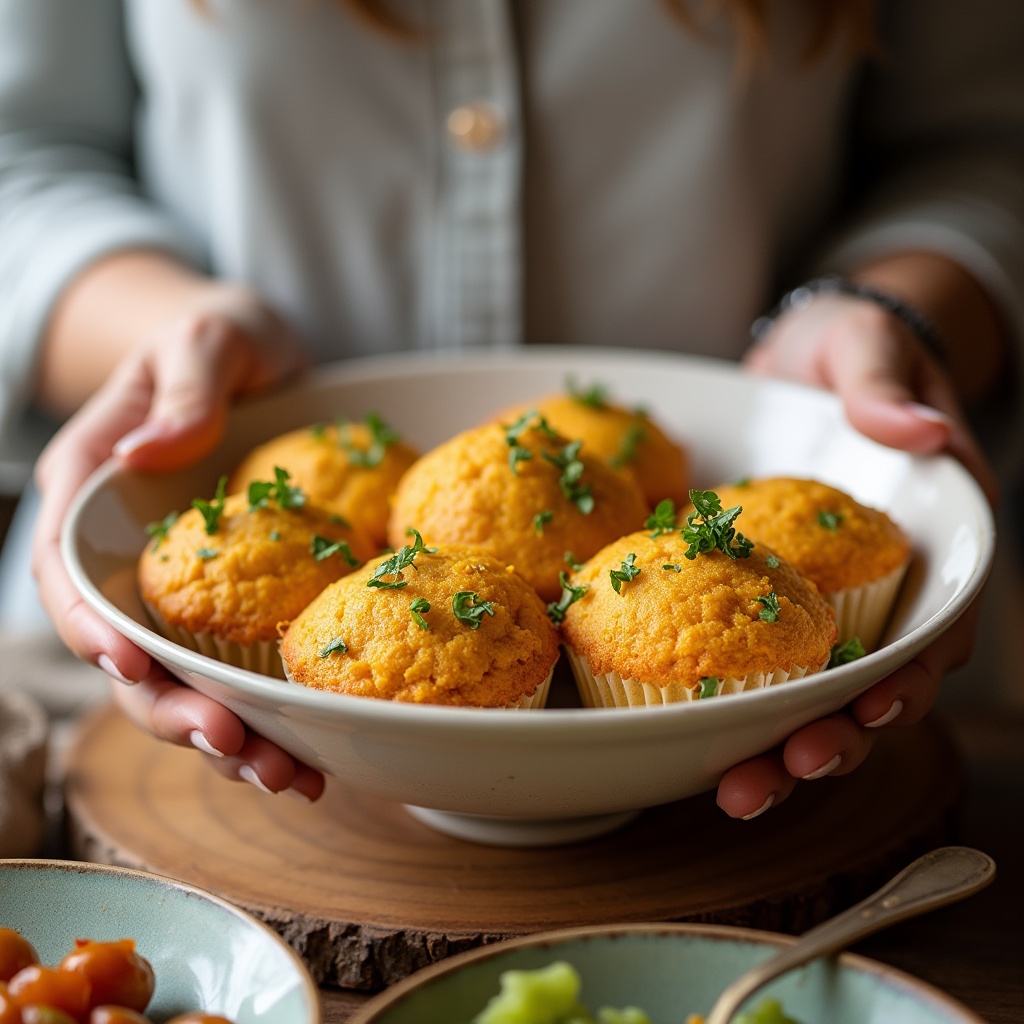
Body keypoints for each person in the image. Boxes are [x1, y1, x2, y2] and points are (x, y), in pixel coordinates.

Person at [1, 0, 1021, 817]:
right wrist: (162, 331)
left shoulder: (638, 513)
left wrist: (892, 308)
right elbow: (23, 155)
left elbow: (986, 144)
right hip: (75, 706)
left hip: (905, 738)